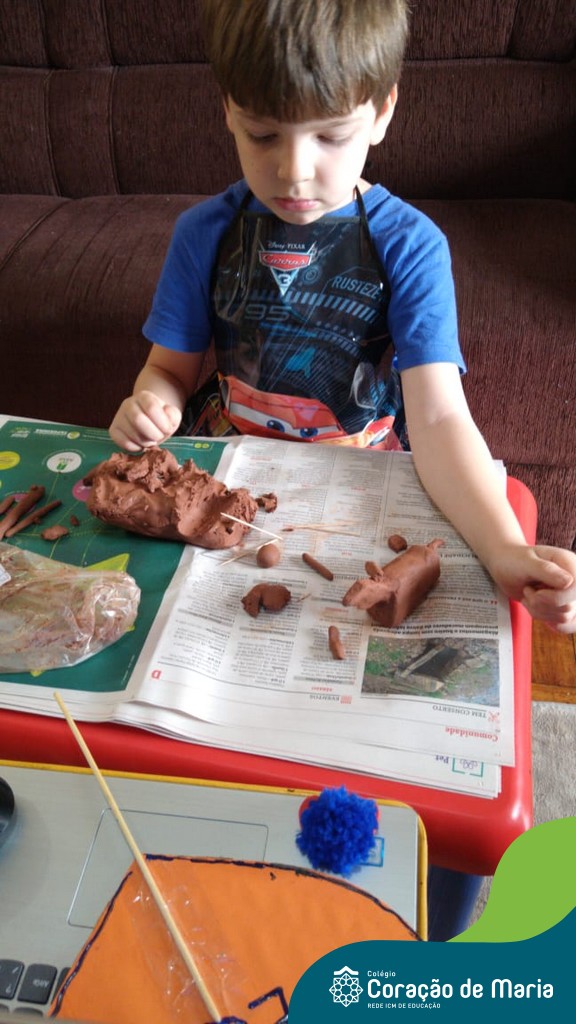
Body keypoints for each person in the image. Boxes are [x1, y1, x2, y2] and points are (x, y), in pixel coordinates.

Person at [109, 0, 576, 634]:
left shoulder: (410, 245)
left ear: (381, 112)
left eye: (330, 136)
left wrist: (504, 549)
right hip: (229, 468)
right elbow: (168, 370)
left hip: (361, 463)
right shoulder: (203, 233)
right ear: (228, 111)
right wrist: (151, 403)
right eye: (263, 134)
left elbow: (439, 416)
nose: (293, 170)